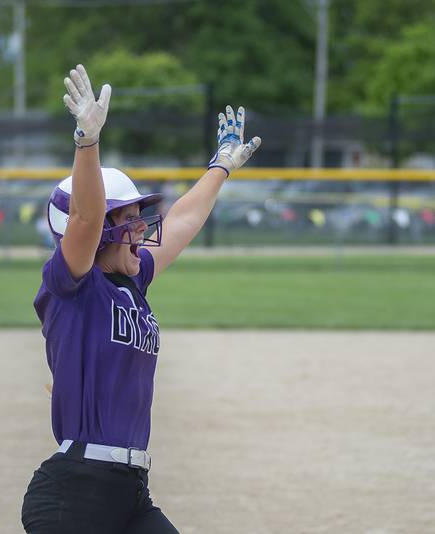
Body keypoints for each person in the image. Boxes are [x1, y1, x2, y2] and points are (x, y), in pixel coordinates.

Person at [21, 64, 261, 534]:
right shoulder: (71, 285)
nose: (141, 230)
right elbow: (85, 222)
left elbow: (181, 223)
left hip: (130, 493)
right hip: (73, 495)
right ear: (103, 231)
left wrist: (220, 167)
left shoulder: (133, 283)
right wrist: (87, 142)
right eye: (127, 220)